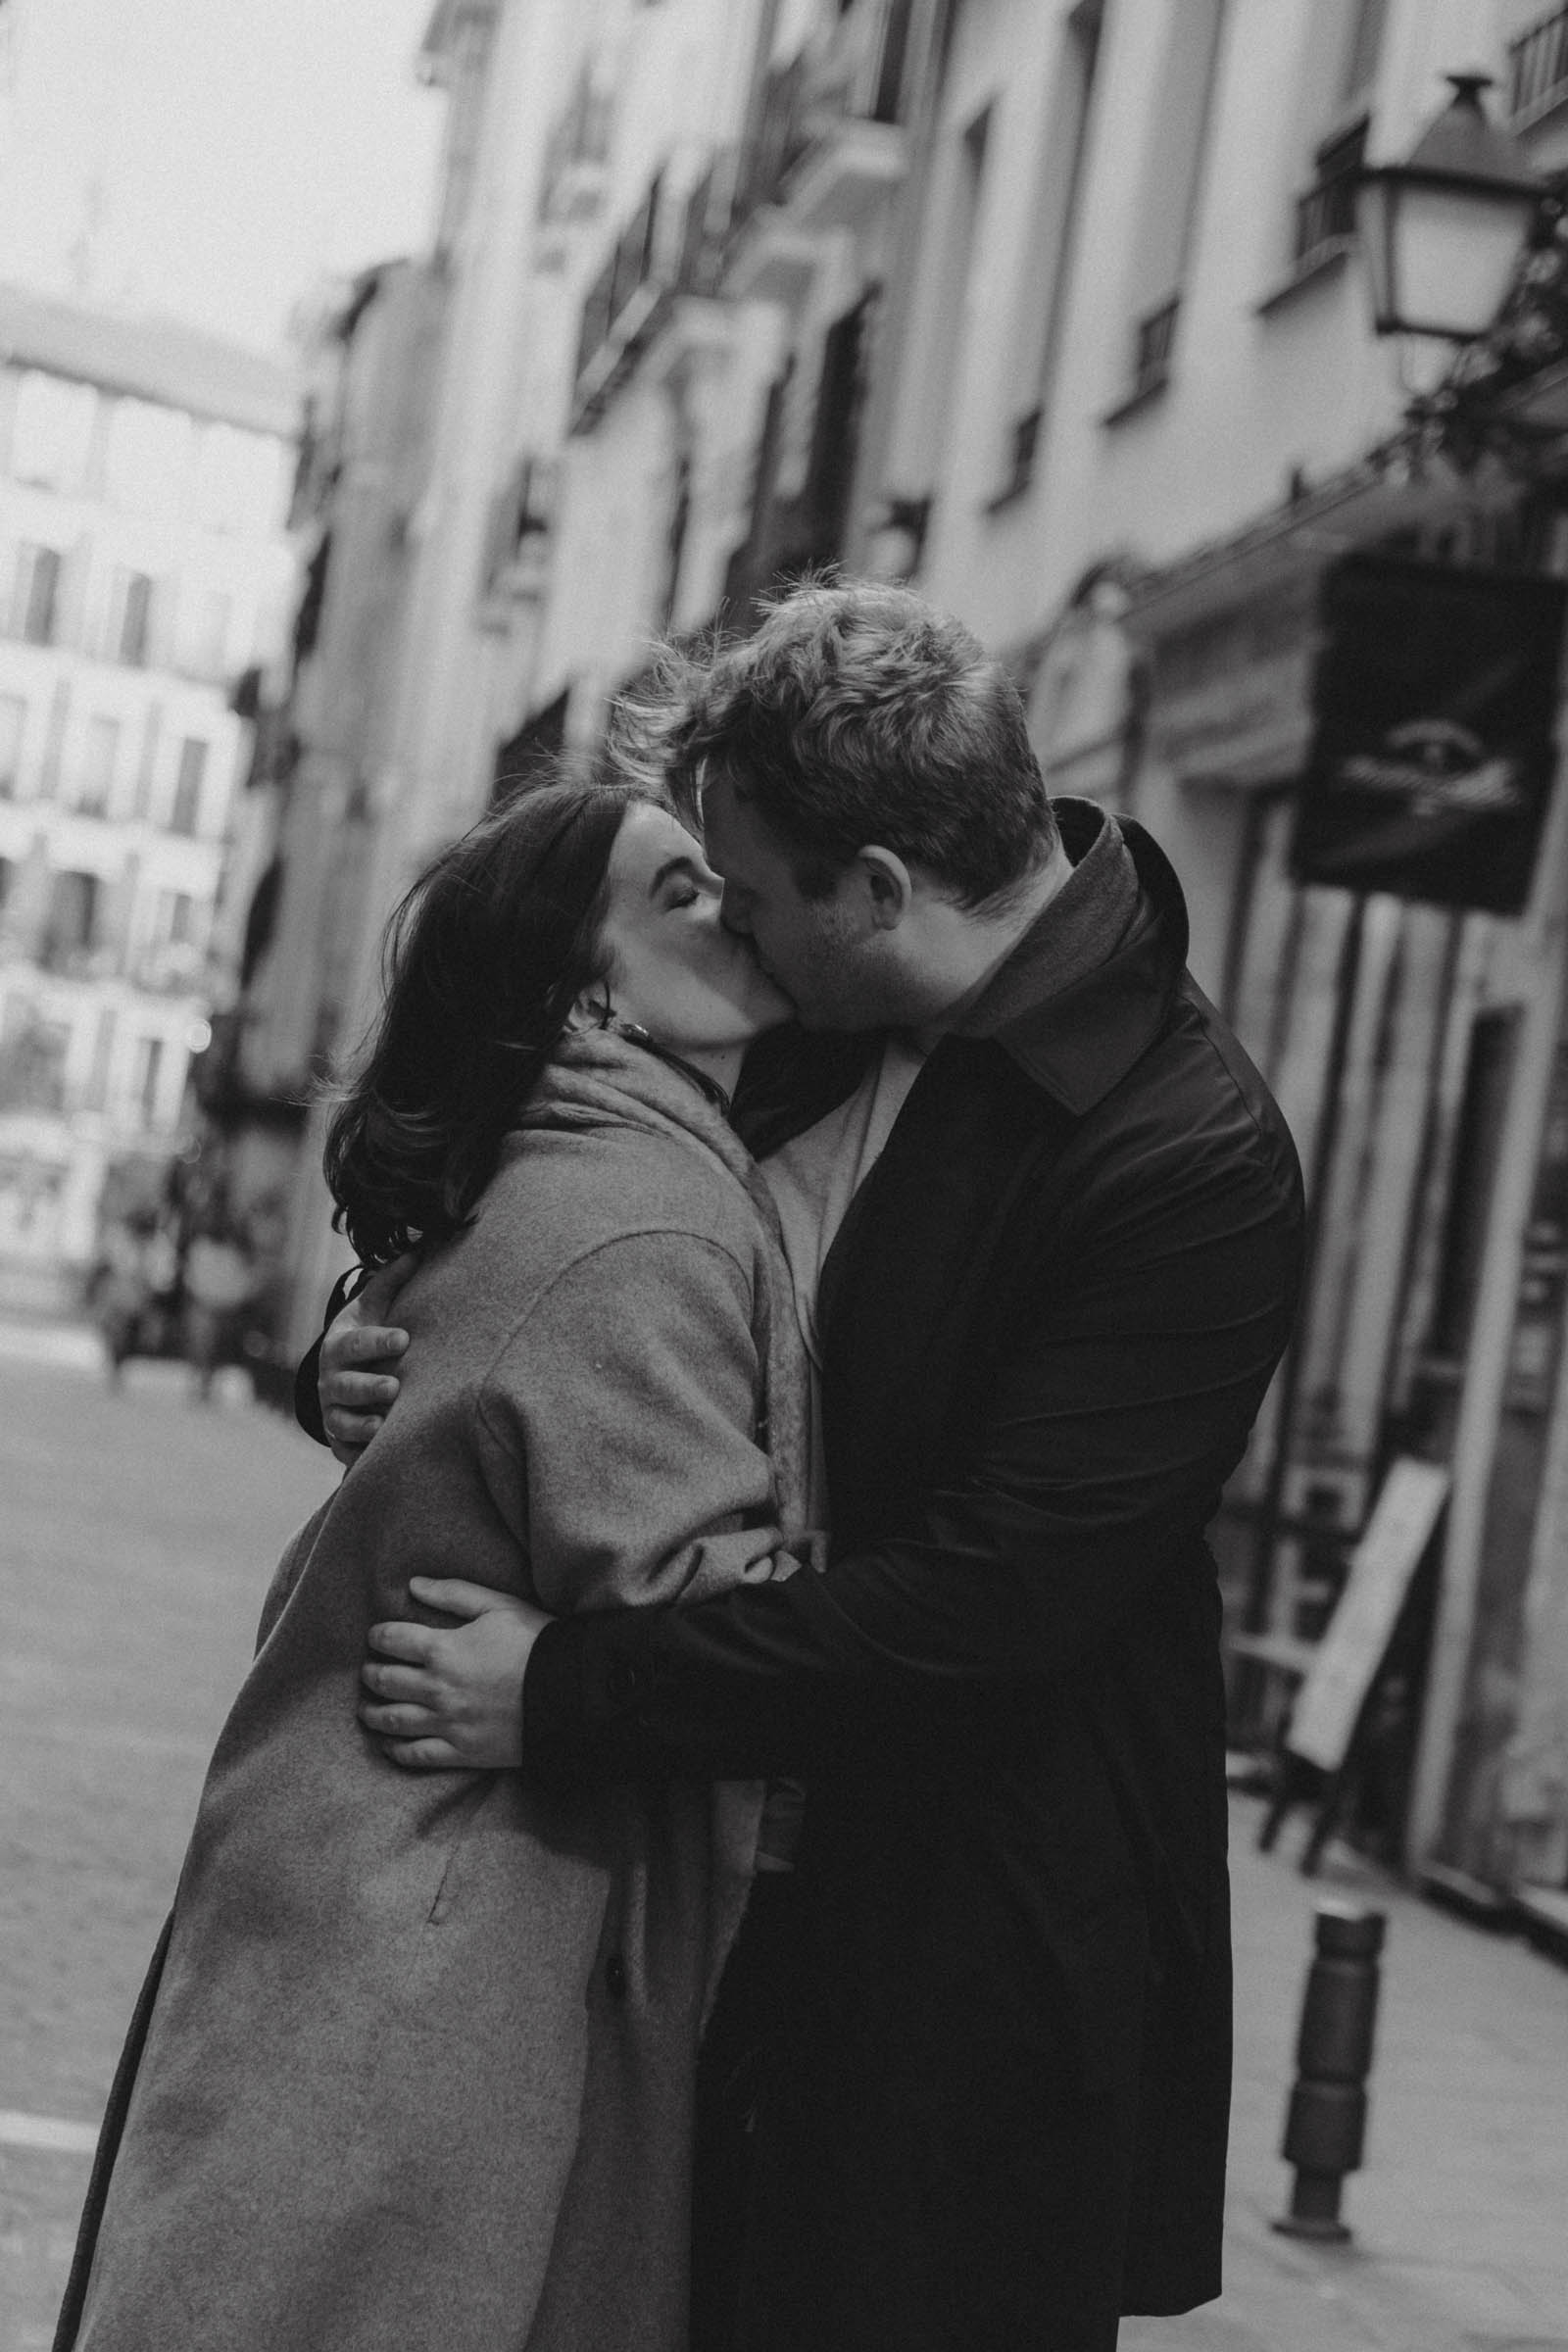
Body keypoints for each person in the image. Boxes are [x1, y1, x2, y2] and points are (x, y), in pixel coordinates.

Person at [320, 582, 1306, 2352]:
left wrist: (561, 1691)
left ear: (876, 893)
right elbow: (530, 1187)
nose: (734, 930)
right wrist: (380, 1343)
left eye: (757, 894)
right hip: (684, 1899)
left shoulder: (1189, 1161)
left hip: (958, 1965)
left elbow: (995, 1613)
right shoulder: (800, 1016)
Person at [55, 780, 813, 2352]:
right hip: (445, 1942)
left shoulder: (561, 1169)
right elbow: (703, 1612)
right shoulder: (645, 1224)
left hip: (356, 1891)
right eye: (680, 891)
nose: (733, 903)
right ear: (585, 984)